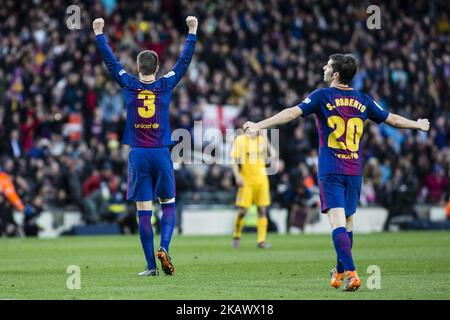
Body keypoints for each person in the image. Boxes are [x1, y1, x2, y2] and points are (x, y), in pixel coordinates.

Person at [243, 53, 430, 291]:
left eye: (328, 66)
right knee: (348, 223)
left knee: (336, 223)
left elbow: (291, 113)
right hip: (354, 170)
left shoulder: (323, 96)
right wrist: (417, 124)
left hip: (331, 169)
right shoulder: (363, 99)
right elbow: (391, 119)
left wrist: (259, 125)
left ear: (336, 74)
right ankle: (340, 271)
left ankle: (351, 272)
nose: (324, 67)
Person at [93, 16, 198, 276]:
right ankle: (164, 246)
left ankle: (151, 265)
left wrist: (99, 34)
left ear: (138, 67)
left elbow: (111, 62)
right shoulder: (165, 84)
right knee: (169, 204)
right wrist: (192, 32)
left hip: (138, 155)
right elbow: (184, 63)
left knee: (143, 211)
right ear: (157, 66)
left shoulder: (128, 83)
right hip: (162, 154)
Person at [230, 129, 276, 249]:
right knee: (242, 211)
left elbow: (273, 155)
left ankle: (261, 241)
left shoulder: (262, 140)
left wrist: (266, 137)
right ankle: (236, 235)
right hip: (246, 182)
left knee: (262, 210)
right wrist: (237, 175)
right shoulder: (240, 140)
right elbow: (233, 160)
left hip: (261, 181)